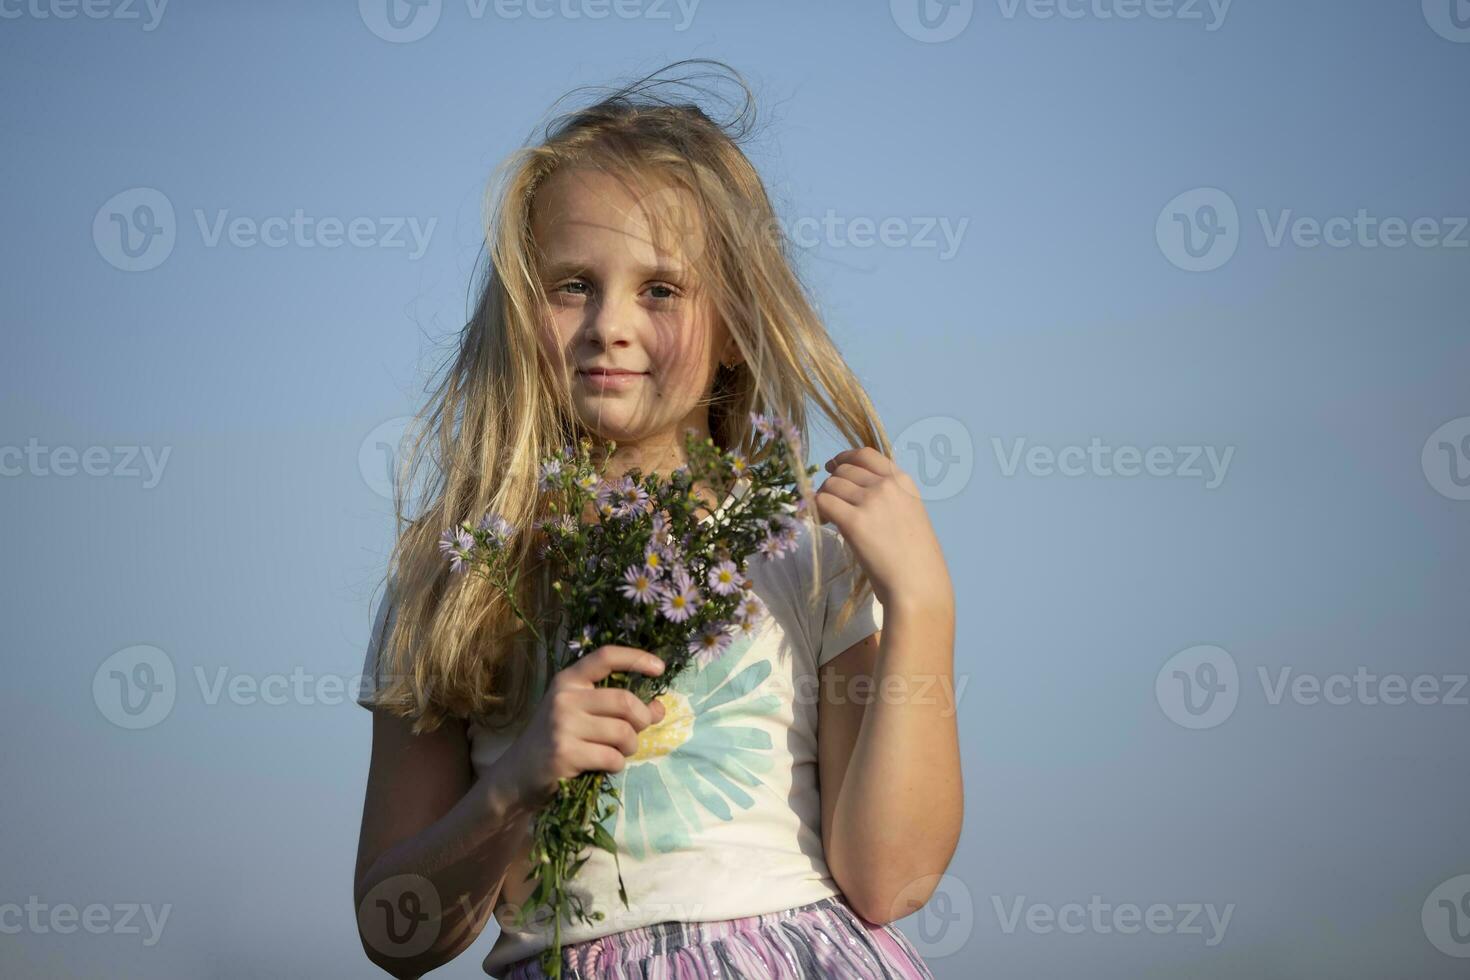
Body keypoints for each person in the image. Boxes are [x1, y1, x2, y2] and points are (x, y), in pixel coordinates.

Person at [353, 59, 960, 979]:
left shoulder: (804, 551)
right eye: (571, 285)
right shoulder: (454, 577)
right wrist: (513, 788)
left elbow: (890, 878)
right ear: (521, 311)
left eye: (661, 289)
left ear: (732, 324)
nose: (610, 324)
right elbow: (393, 935)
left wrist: (923, 606)